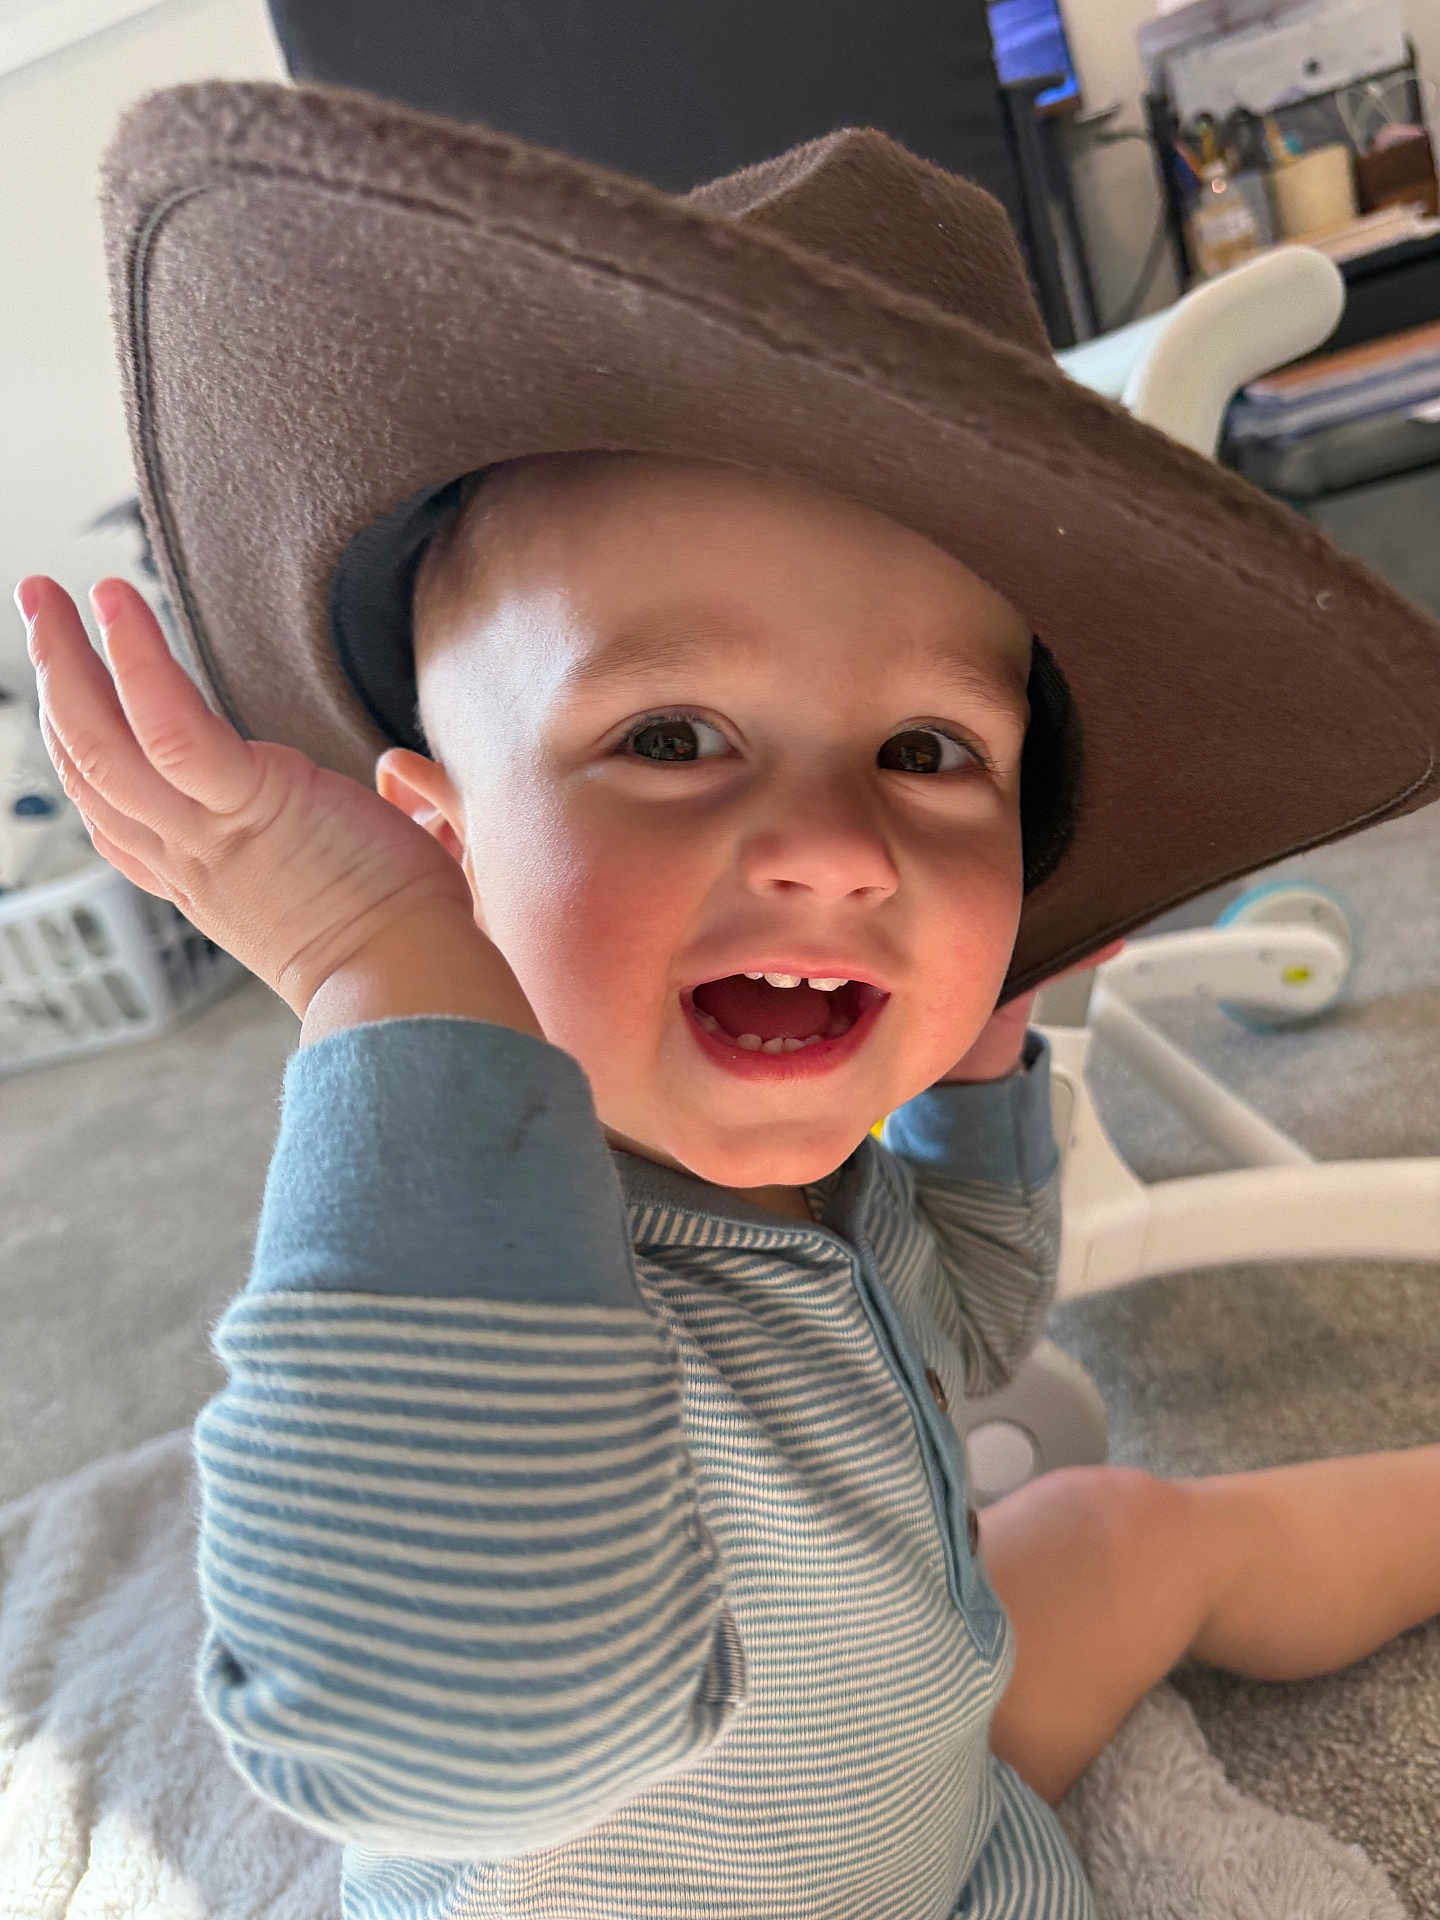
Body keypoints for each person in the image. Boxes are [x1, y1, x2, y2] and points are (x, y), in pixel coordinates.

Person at [16, 80, 1440, 1920]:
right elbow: (468, 1731)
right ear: (442, 856)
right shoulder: (462, 1281)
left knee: (1115, 1527)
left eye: (928, 751)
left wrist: (984, 1039)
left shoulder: (816, 1183)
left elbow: (974, 1324)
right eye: (671, 735)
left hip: (918, 1804)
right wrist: (381, 982)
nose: (841, 849)